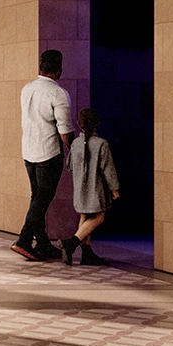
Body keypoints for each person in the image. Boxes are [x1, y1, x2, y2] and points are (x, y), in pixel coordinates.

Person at [13, 49, 74, 261]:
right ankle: (24, 239)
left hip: (29, 150)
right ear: (60, 68)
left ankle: (42, 243)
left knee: (37, 197)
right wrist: (74, 151)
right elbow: (64, 129)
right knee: (42, 198)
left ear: (41, 66)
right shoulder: (58, 93)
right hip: (48, 152)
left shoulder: (27, 88)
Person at [60, 108, 119, 266]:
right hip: (96, 189)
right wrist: (114, 189)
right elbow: (108, 169)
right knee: (99, 217)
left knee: (84, 216)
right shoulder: (101, 144)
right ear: (97, 124)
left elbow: (69, 165)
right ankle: (70, 243)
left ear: (79, 123)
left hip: (80, 188)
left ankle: (86, 253)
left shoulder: (75, 144)